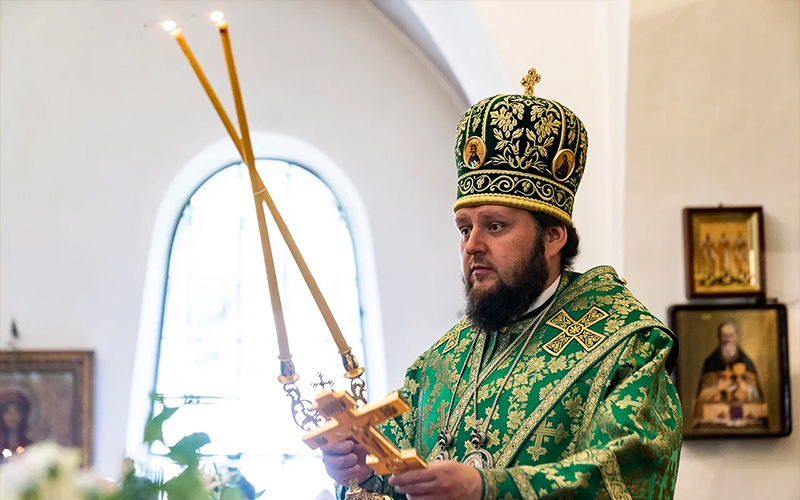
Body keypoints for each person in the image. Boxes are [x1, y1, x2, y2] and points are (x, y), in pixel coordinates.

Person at [322, 71, 682, 499]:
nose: (472, 245)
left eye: (495, 226)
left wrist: (487, 489)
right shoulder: (439, 365)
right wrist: (361, 472)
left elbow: (631, 468)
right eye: (464, 228)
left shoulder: (626, 344)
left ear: (553, 236)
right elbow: (394, 475)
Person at [695, 321, 763, 406]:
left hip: (742, 415)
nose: (727, 339)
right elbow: (701, 399)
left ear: (737, 337)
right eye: (724, 335)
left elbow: (757, 399)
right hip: (715, 415)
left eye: (730, 335)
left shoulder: (747, 363)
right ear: (719, 338)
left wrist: (746, 389)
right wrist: (716, 389)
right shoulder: (710, 363)